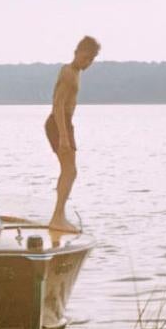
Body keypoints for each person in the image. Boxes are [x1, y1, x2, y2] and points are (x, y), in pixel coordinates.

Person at [45, 35, 100, 232]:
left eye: (91, 60)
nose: (87, 63)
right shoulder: (68, 72)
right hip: (59, 123)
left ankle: (58, 216)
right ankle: (57, 217)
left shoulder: (76, 72)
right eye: (85, 58)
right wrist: (64, 137)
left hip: (66, 124)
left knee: (68, 170)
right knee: (70, 171)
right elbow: (58, 104)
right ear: (76, 53)